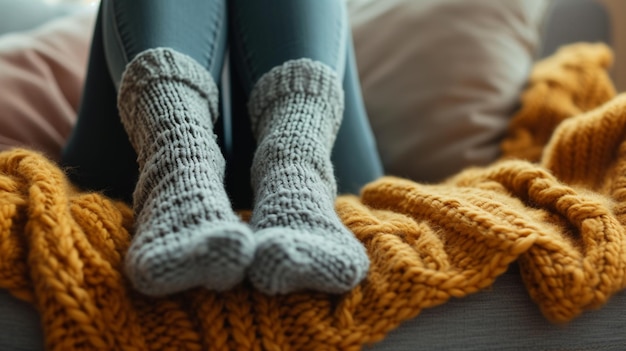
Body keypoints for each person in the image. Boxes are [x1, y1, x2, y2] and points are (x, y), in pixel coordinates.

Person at [61, 0, 384, 297]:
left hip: (321, 157)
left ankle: (293, 164)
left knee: (291, 135)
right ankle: (180, 154)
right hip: (131, 165)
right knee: (179, 130)